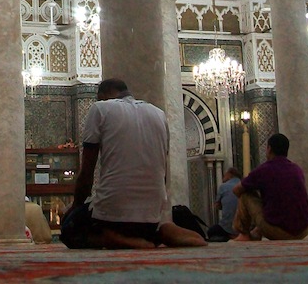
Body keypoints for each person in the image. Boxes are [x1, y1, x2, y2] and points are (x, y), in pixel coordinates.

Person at [62, 78, 206, 249]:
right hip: (151, 216)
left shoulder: (100, 108)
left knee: (69, 228)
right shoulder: (158, 114)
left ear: (102, 96)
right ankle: (161, 232)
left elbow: (86, 174)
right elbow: (163, 173)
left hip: (112, 216)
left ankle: (113, 238)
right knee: (144, 224)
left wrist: (75, 207)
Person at [232, 133, 308, 241]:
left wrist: (254, 195)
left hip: (279, 232)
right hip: (303, 231)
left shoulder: (264, 169)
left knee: (245, 195)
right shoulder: (296, 169)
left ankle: (244, 234)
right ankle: (257, 232)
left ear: (269, 149)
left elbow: (236, 190)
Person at [208, 167, 241, 241]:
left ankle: (230, 236)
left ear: (229, 175)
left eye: (224, 175)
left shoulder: (223, 186)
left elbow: (217, 205)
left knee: (211, 231)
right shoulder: (244, 184)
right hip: (245, 227)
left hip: (227, 226)